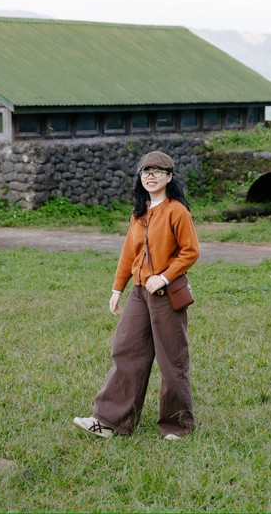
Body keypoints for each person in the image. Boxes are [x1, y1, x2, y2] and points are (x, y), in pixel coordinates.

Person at [73, 150, 199, 440]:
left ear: (169, 177)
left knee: (171, 359)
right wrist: (118, 289)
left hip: (167, 293)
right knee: (126, 350)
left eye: (157, 171)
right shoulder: (139, 213)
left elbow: (190, 251)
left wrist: (165, 276)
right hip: (139, 292)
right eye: (145, 171)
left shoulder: (177, 211)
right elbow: (129, 253)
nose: (150, 176)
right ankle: (109, 421)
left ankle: (177, 426)